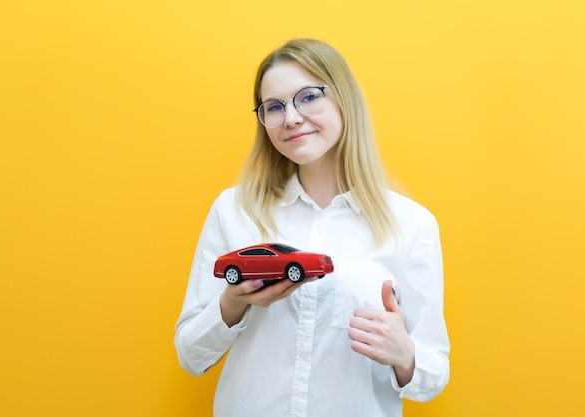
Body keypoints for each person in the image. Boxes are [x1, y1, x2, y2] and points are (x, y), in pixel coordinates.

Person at [175, 38, 450, 417]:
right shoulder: (234, 210)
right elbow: (190, 356)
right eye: (274, 106)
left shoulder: (411, 225)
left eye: (308, 97)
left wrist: (405, 356)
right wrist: (232, 302)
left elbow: (434, 374)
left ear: (343, 99)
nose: (290, 118)